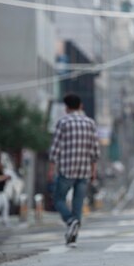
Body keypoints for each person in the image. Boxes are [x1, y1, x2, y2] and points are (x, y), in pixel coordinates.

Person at [48, 93, 100, 246]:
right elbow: (95, 151)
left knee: (58, 199)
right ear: (81, 106)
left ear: (66, 108)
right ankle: (73, 235)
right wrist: (93, 170)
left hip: (66, 169)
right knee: (78, 204)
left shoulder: (63, 122)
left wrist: (51, 168)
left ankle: (70, 221)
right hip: (84, 170)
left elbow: (55, 148)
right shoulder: (90, 123)